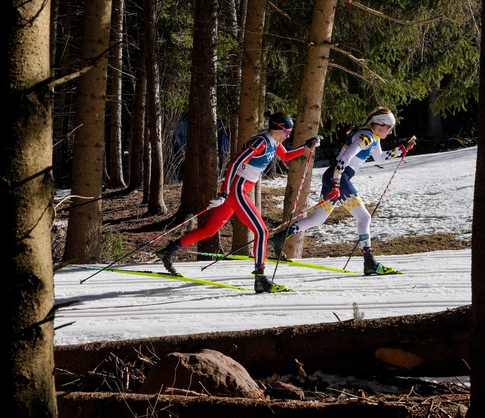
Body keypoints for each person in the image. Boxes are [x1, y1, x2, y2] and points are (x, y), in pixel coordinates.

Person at [155, 111, 320, 293]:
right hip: (236, 190)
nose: (288, 135)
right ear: (278, 129)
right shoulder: (260, 142)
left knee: (210, 230)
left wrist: (306, 146)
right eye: (288, 132)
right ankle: (261, 279)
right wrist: (224, 192)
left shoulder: (275, 142)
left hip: (238, 190)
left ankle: (168, 251)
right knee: (262, 232)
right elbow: (234, 164)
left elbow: (287, 156)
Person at [270, 107, 415, 276]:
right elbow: (345, 157)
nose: (390, 132)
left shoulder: (373, 137)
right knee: (364, 217)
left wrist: (403, 149)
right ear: (380, 124)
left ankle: (279, 239)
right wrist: (337, 182)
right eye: (390, 128)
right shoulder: (366, 137)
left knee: (318, 219)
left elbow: (380, 157)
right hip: (339, 178)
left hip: (334, 177)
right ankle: (369, 262)